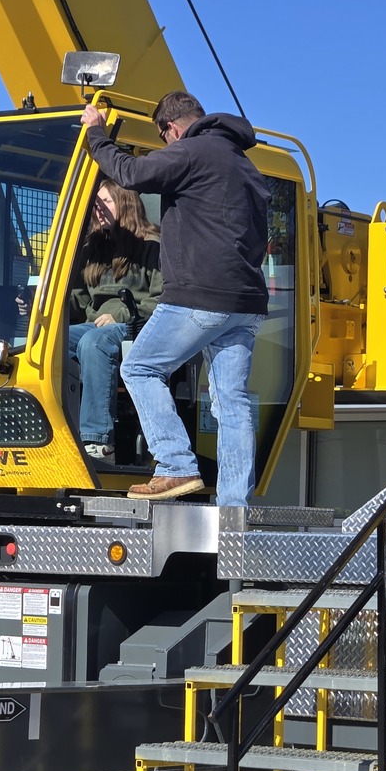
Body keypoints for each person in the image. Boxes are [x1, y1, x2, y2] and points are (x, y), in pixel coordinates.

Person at [81, 90, 269, 506]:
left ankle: (175, 464)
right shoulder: (244, 165)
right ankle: (234, 505)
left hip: (200, 296)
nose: (166, 146)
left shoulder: (192, 150)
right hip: (247, 302)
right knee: (233, 402)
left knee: (140, 368)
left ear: (171, 129)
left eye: (163, 138)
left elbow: (129, 172)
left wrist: (96, 133)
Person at [69, 179, 162, 465]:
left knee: (94, 342)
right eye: (96, 203)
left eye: (106, 202)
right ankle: (60, 432)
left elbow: (162, 300)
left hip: (138, 325)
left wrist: (120, 315)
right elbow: (79, 302)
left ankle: (98, 441)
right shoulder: (94, 248)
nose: (98, 208)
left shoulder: (152, 246)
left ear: (125, 204)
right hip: (95, 324)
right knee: (52, 343)